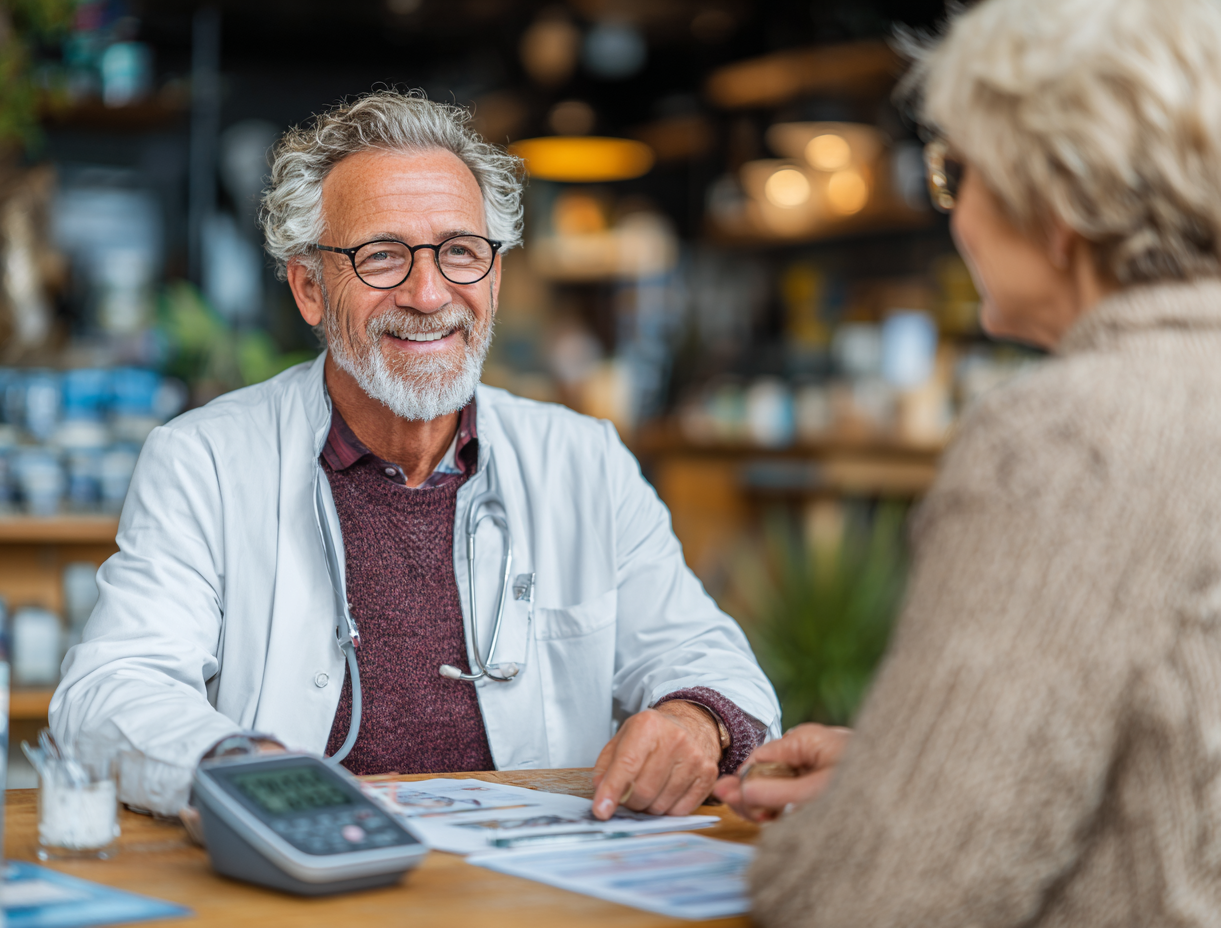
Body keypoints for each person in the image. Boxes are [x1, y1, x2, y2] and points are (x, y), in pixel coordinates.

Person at [50, 90, 779, 817]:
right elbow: (109, 692)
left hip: (534, 890)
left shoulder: (584, 461)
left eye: (460, 252)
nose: (429, 294)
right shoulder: (202, 462)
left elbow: (714, 665)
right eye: (382, 256)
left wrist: (696, 721)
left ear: (492, 277)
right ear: (310, 287)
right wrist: (244, 767)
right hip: (307, 878)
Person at [715, 0, 1221, 925]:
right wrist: (900, 776)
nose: (957, 215)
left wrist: (841, 845)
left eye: (959, 172)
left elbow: (872, 899)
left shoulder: (1070, 440)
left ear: (1058, 197)